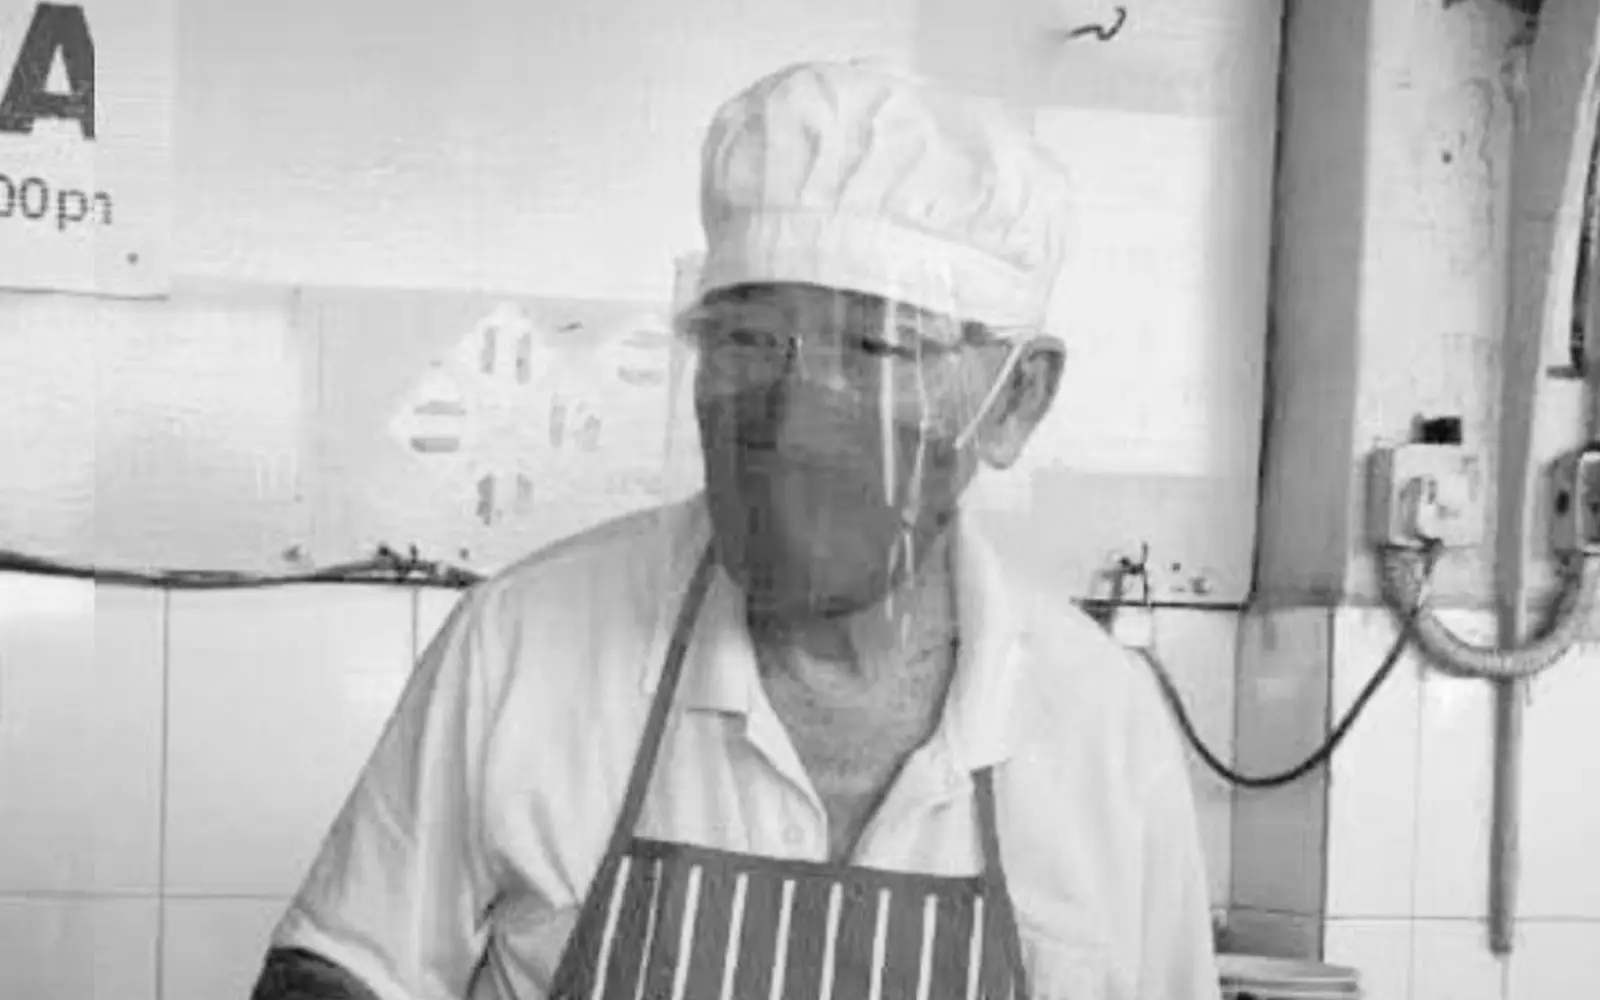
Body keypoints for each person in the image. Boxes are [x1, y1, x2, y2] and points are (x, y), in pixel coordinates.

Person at [251, 59, 1220, 1000]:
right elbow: (340, 969)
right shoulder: (522, 645)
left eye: (875, 346)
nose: (792, 413)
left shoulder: (1104, 729)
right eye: (747, 340)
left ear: (1014, 401)